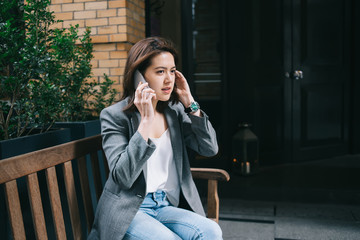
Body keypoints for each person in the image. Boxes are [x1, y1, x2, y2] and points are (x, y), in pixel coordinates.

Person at [88, 37, 222, 240]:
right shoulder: (114, 115)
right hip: (131, 210)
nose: (169, 79)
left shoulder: (174, 111)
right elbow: (123, 177)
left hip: (166, 204)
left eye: (172, 71)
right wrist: (146, 121)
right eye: (160, 71)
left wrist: (190, 103)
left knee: (211, 231)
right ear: (139, 77)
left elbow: (209, 148)